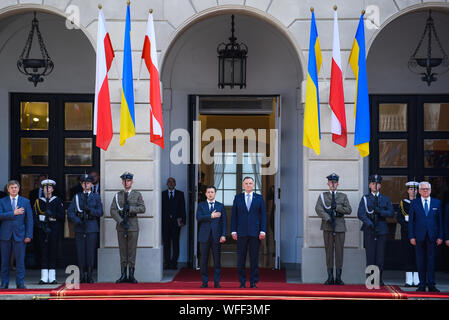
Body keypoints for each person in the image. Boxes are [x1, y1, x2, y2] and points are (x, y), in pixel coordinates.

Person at [315, 173, 352, 285]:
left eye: (335, 182)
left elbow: (349, 210)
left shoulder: (343, 196)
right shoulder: (323, 196)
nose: (333, 184)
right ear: (328, 184)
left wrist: (338, 208)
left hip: (340, 227)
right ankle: (330, 277)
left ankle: (339, 277)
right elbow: (318, 208)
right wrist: (327, 218)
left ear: (338, 184)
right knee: (329, 252)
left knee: (339, 252)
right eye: (331, 182)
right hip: (328, 226)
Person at [357, 174, 394, 286]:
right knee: (370, 256)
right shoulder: (365, 198)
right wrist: (369, 223)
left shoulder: (385, 199)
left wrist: (381, 212)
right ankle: (370, 280)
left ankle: (379, 280)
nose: (375, 185)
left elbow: (391, 213)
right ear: (369, 185)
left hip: (381, 229)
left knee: (380, 257)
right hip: (370, 229)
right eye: (373, 183)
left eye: (377, 183)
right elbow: (360, 213)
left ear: (380, 186)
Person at [231, 177, 267, 288]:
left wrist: (263, 230)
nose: (248, 185)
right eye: (246, 183)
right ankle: (242, 282)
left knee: (254, 258)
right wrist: (233, 231)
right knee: (241, 258)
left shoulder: (259, 198)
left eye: (250, 183)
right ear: (243, 185)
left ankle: (253, 282)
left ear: (253, 185)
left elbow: (263, 216)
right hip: (241, 232)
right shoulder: (237, 198)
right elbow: (234, 216)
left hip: (255, 233)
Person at [110, 172, 146, 284]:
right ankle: (123, 275)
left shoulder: (137, 194)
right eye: (125, 181)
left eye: (129, 181)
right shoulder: (118, 195)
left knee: (132, 250)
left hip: (133, 226)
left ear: (132, 182)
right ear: (122, 182)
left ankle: (131, 275)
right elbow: (112, 210)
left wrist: (130, 208)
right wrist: (120, 221)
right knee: (123, 250)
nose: (127, 183)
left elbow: (142, 208)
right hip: (121, 226)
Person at [68, 173, 103, 283]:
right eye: (84, 183)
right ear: (81, 184)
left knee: (90, 252)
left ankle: (90, 275)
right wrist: (77, 221)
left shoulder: (96, 197)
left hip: (91, 227)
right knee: (81, 252)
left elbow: (100, 212)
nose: (86, 185)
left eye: (88, 183)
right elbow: (70, 212)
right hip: (80, 227)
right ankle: (82, 274)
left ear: (91, 184)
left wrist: (90, 211)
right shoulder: (77, 197)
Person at [408, 181, 443, 292]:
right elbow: (411, 222)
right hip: (418, 236)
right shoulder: (414, 203)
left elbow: (440, 221)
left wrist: (440, 236)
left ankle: (431, 284)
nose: (425, 191)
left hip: (433, 236)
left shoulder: (437, 203)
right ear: (419, 191)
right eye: (423, 189)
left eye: (427, 189)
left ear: (430, 190)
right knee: (420, 261)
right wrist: (411, 236)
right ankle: (422, 284)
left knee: (431, 261)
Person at [0, 180, 33, 289]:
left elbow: (29, 220)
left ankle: (20, 283)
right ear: (8, 189)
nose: (14, 189)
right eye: (11, 187)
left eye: (15, 187)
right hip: (5, 234)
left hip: (20, 235)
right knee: (5, 261)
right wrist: (13, 213)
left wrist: (29, 235)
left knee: (20, 260)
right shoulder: (2, 201)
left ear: (19, 189)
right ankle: (4, 283)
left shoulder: (25, 201)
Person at [32, 179, 65, 284]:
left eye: (49, 187)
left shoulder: (57, 200)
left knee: (52, 251)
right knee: (43, 252)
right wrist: (41, 223)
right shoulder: (38, 201)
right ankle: (44, 277)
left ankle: (52, 277)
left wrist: (52, 215)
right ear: (42, 189)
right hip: (42, 230)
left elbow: (62, 216)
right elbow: (34, 217)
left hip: (53, 229)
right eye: (45, 188)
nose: (47, 189)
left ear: (52, 189)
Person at [196, 185, 227, 288]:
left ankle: (217, 282)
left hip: (216, 236)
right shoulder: (201, 205)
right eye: (208, 192)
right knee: (204, 260)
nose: (210, 194)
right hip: (204, 236)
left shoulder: (220, 206)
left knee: (217, 260)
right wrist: (211, 216)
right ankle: (204, 282)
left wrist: (223, 235)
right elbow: (198, 217)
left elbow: (224, 222)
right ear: (205, 194)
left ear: (215, 193)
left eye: (212, 192)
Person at [397, 181, 420, 287]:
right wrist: (409, 227)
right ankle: (408, 280)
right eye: (411, 189)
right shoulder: (403, 203)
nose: (413, 192)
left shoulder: (420, 202)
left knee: (417, 255)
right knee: (407, 255)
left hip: (418, 233)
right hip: (406, 233)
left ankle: (417, 279)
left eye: (415, 189)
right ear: (407, 191)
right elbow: (400, 219)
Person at [162, 177, 186, 269]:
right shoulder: (162, 194)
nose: (171, 183)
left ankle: (174, 263)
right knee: (166, 243)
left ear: (175, 184)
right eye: (169, 182)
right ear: (167, 184)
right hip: (165, 223)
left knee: (176, 243)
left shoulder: (180, 194)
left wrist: (183, 221)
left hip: (177, 223)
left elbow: (183, 208)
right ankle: (167, 263)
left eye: (173, 182)